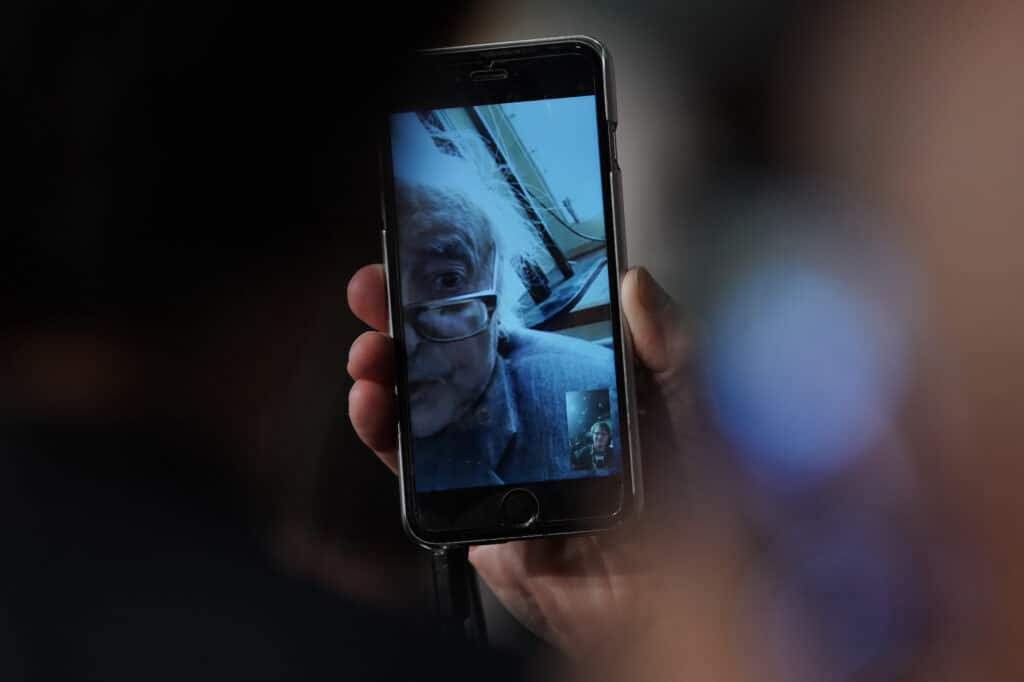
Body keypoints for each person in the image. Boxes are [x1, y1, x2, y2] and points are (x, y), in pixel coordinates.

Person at [395, 180, 620, 490]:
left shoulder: (583, 393)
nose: (404, 344)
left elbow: (597, 501)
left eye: (447, 280)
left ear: (497, 291)